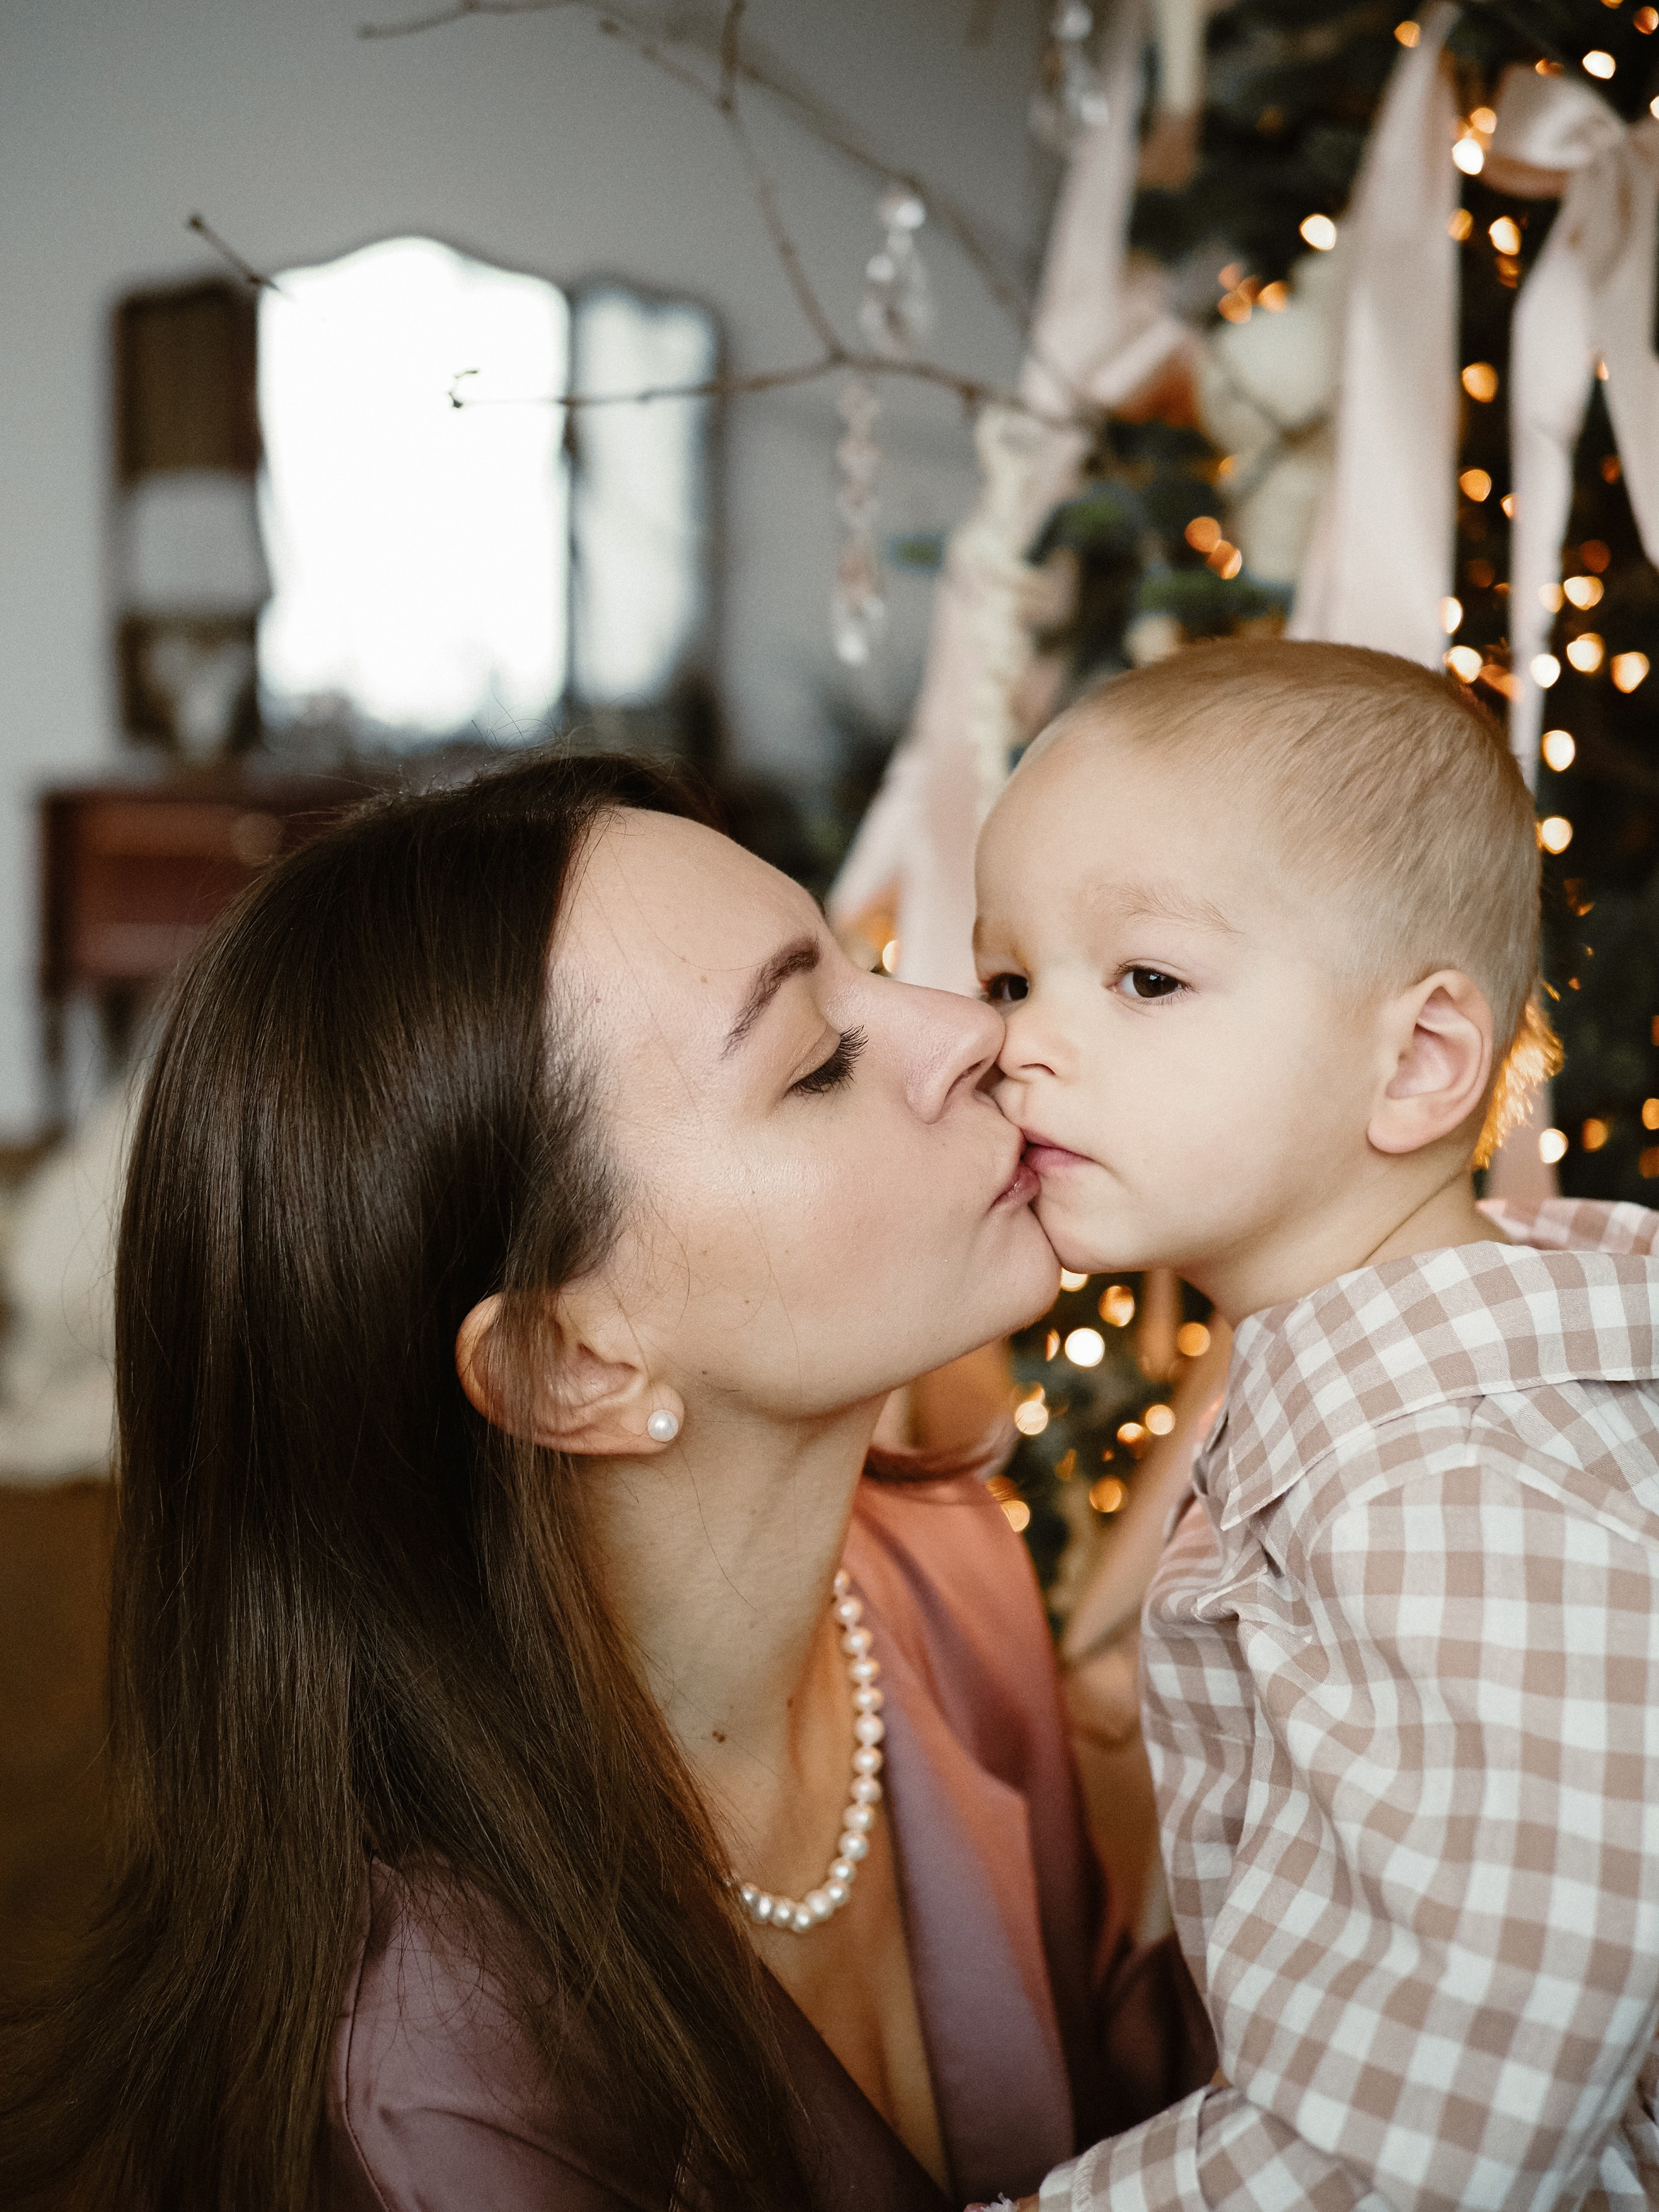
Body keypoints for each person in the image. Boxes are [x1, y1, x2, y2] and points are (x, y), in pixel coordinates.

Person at [0, 752, 1212, 2212]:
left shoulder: (935, 1563)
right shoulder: (447, 2084)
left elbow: (1113, 2087)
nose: (968, 1029)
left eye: (865, 962)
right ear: (573, 1366)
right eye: (814, 1061)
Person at [971, 638, 1659, 2211]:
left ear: (1415, 1062)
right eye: (1007, 977)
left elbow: (1418, 2160)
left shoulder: (1456, 1501)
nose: (1020, 1043)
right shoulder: (1382, 1415)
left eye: (1142, 978)